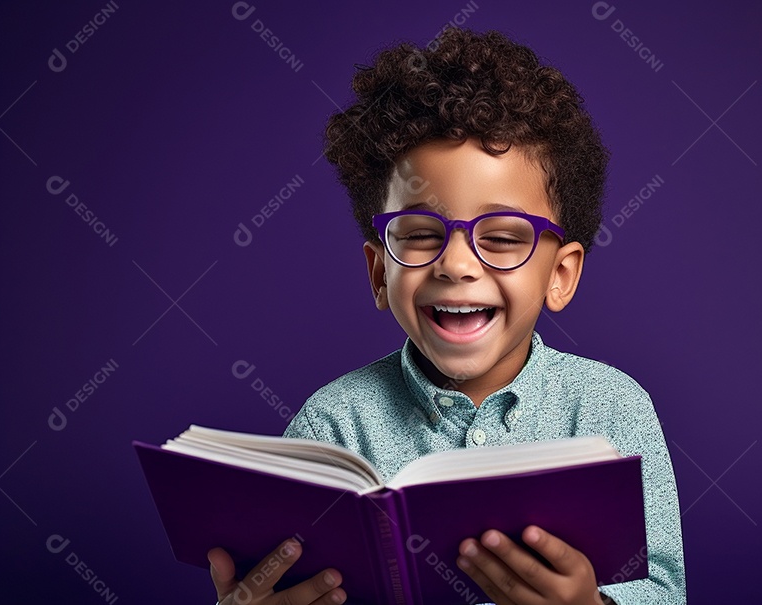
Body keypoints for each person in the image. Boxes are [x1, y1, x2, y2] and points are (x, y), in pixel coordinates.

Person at [206, 27, 686, 605]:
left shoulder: (612, 408)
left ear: (560, 275)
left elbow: (662, 589)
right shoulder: (331, 425)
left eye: (505, 237)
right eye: (419, 235)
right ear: (380, 272)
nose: (456, 264)